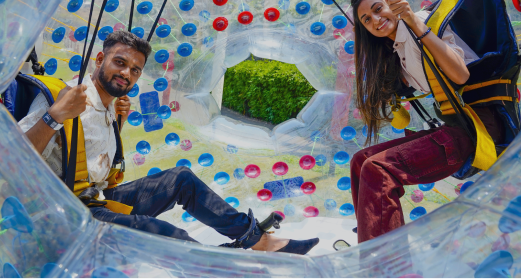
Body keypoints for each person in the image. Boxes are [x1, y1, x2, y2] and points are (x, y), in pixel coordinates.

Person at [19, 30, 319, 254]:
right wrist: (54, 116)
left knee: (181, 179)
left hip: (97, 199)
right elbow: (11, 158)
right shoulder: (63, 97)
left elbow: (92, 160)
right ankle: (218, 269)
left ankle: (257, 239)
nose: (126, 74)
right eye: (119, 62)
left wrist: (118, 124)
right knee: (168, 236)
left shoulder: (112, 107)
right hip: (66, 213)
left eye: (135, 70)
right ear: (100, 59)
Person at [349, 0, 506, 243]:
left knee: (378, 169)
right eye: (367, 20)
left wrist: (415, 22)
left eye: (378, 9)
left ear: (392, 3)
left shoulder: (424, 21)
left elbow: (460, 75)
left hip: (477, 127)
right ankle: (372, 238)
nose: (375, 20)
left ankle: (386, 260)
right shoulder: (395, 47)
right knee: (361, 160)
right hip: (454, 125)